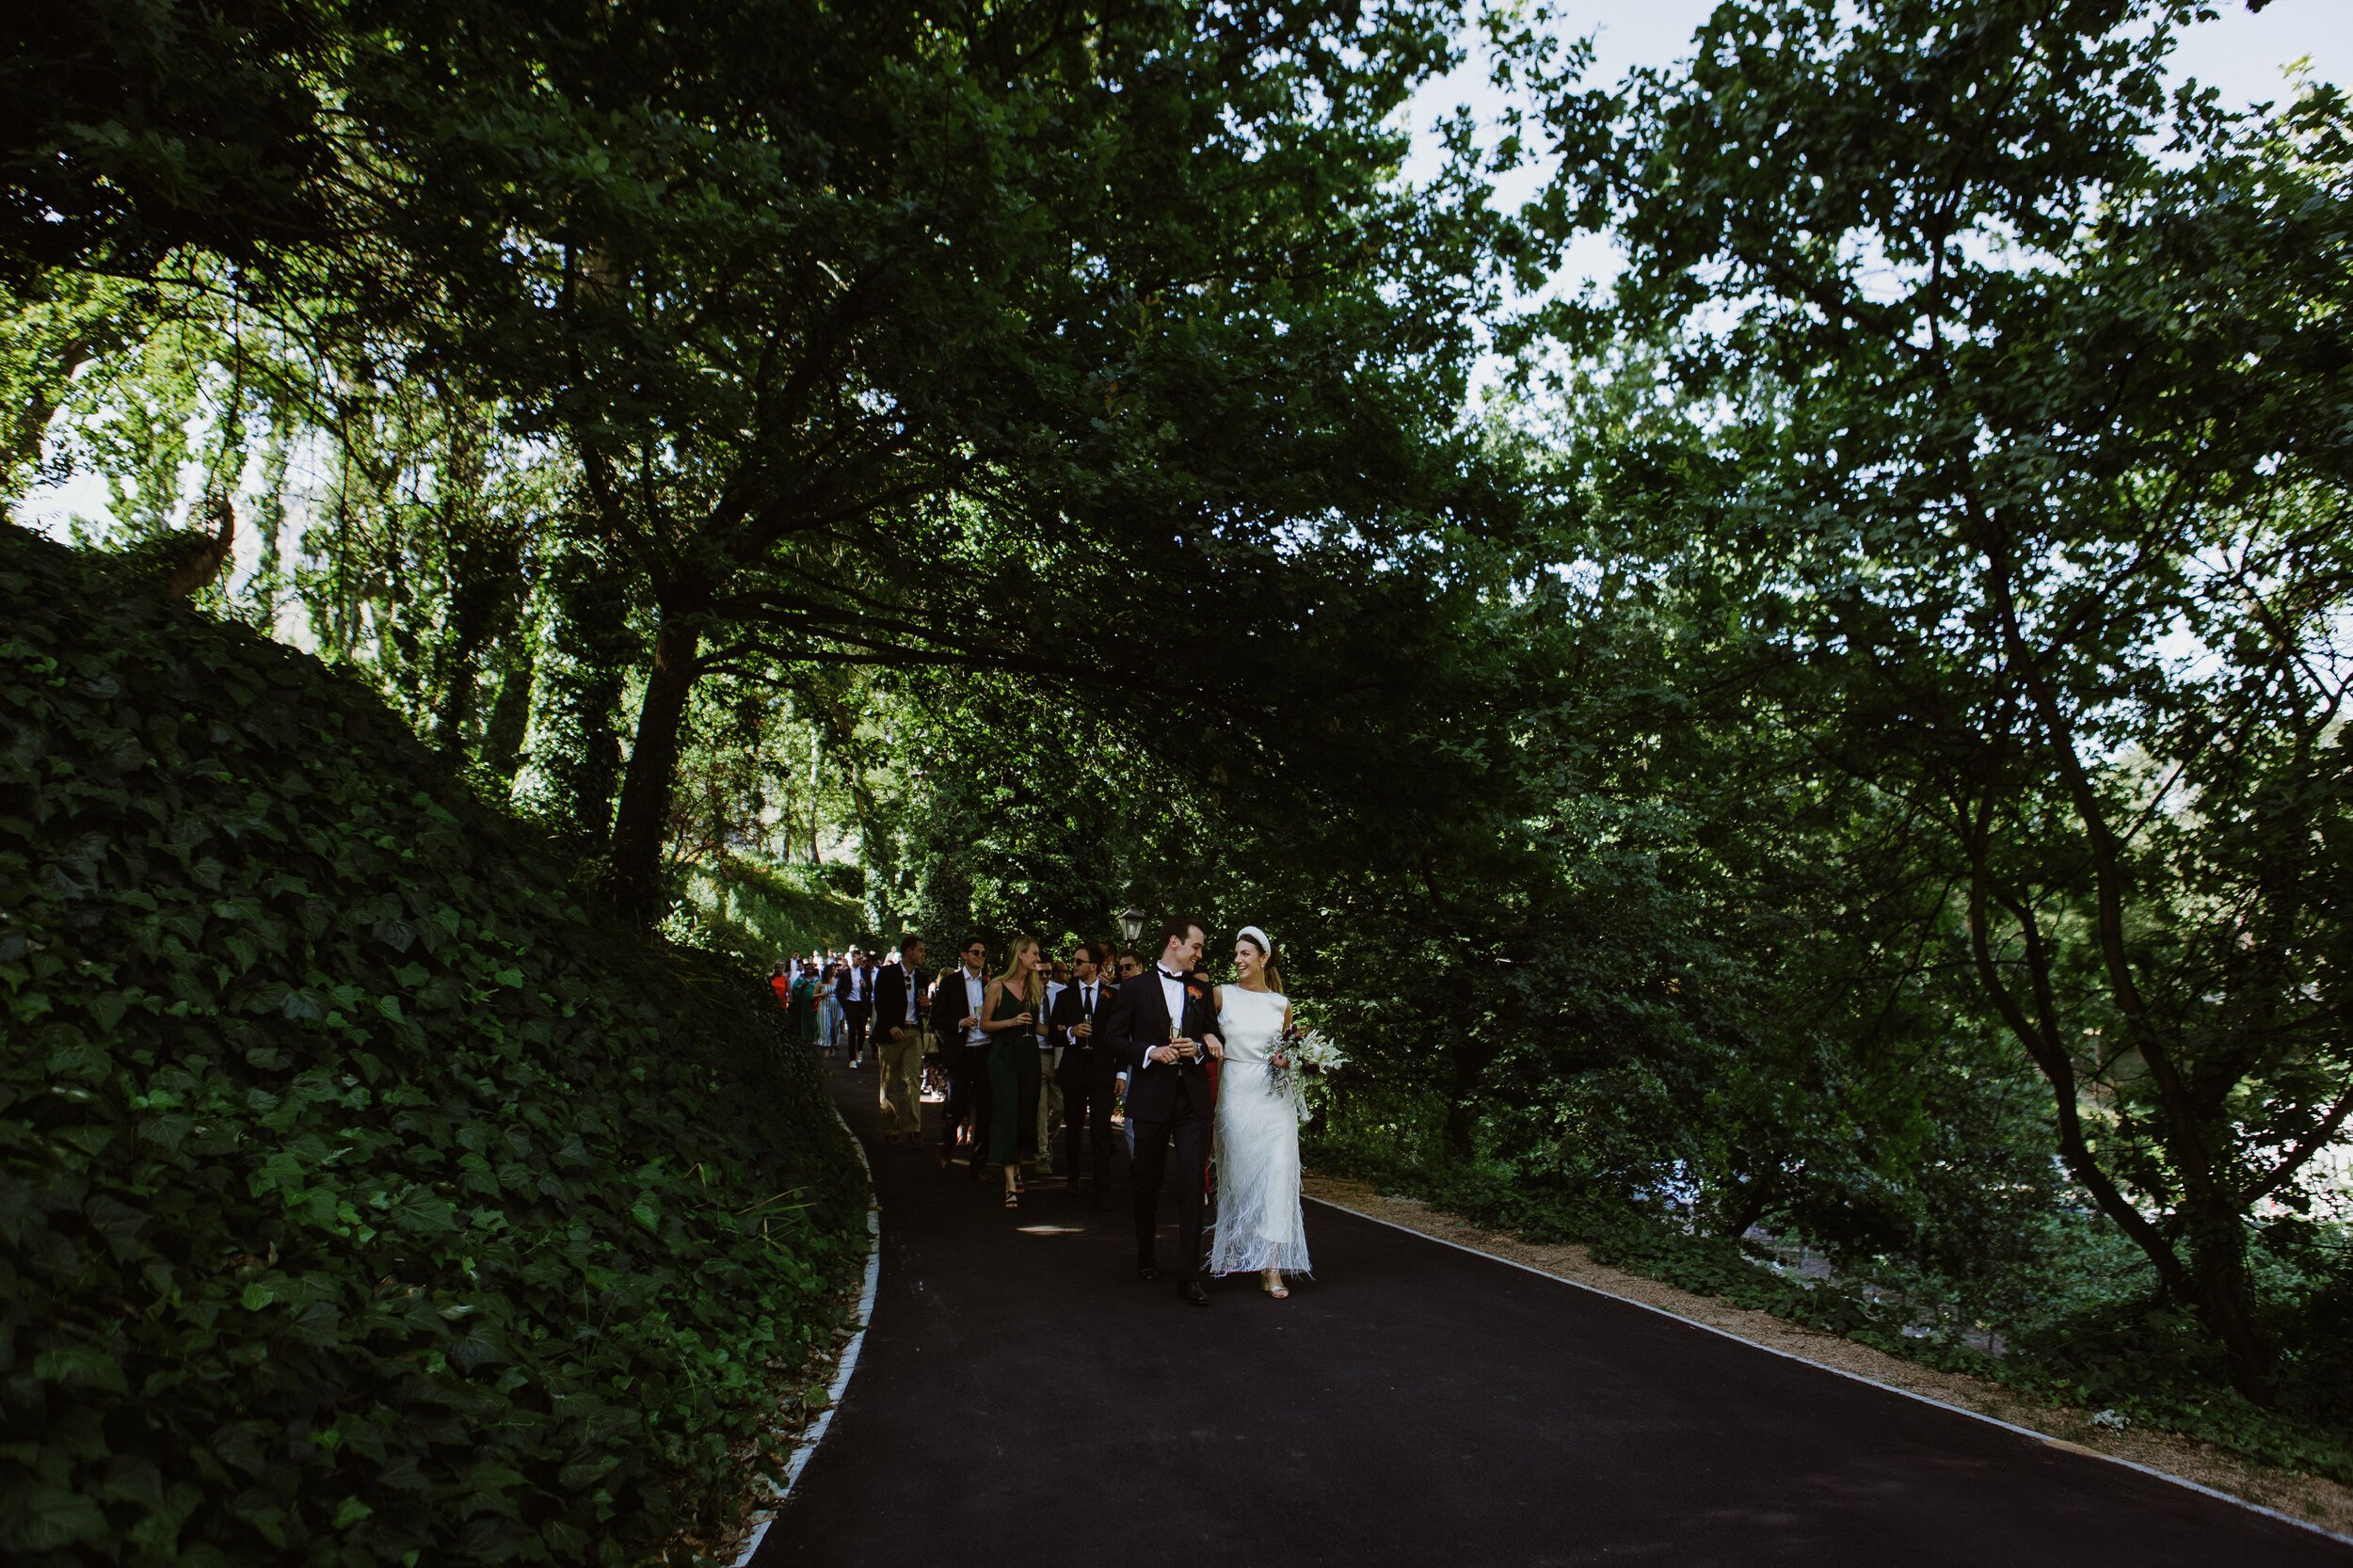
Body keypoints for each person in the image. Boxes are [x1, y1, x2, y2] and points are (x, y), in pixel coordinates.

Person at [1101, 917, 1223, 1306]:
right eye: (1197, 947)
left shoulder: (1200, 989)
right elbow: (1114, 1039)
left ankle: (1189, 1276)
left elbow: (1215, 1034)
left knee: (1192, 1185)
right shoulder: (1134, 988)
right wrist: (1150, 1052)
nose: (1200, 954)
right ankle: (1145, 1253)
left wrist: (1201, 1046)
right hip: (1151, 1096)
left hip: (1191, 1100)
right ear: (1175, 942)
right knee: (1146, 1183)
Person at [1206, 926, 1312, 1296]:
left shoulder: (1281, 1004)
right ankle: (1240, 1251)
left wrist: (1290, 1060)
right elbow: (1200, 1028)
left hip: (1274, 1100)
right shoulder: (1221, 995)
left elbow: (1288, 1048)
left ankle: (1272, 1266)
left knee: (1278, 1178)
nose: (1238, 960)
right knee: (1239, 1174)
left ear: (1263, 959)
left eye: (1245, 954)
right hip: (1236, 1091)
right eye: (1236, 954)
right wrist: (1207, 1037)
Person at [1049, 942, 1119, 1208]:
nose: (1074, 966)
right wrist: (1070, 1032)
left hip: (1102, 1071)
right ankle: (1073, 1177)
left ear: (1093, 966)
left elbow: (1119, 1037)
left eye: (1079, 962)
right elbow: (1054, 1034)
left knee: (1101, 1129)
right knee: (1074, 1127)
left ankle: (1103, 1189)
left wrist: (1121, 1072)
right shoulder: (1064, 996)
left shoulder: (1112, 996)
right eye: (1073, 961)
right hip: (1074, 1070)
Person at [981, 936, 1045, 1208]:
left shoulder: (1034, 988)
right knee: (1007, 1113)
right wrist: (1011, 1022)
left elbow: (1039, 1027)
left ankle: (1017, 1166)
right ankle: (1009, 1183)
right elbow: (985, 1024)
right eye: (1034, 953)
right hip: (1003, 1057)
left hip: (1029, 1056)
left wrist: (1068, 1031)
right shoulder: (996, 986)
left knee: (1024, 1114)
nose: (1037, 958)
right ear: (1020, 955)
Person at [931, 936, 994, 1176]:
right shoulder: (951, 983)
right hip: (962, 1052)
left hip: (985, 1051)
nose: (980, 957)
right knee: (955, 1107)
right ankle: (947, 1146)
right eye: (975, 952)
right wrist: (959, 1022)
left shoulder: (990, 984)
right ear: (964, 955)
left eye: (983, 953)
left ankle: (978, 1164)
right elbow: (935, 1019)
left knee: (986, 1110)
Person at [873, 937, 930, 1145]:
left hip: (913, 1032)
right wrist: (891, 1026)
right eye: (920, 950)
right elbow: (880, 1002)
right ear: (908, 951)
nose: (923, 954)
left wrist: (926, 1005)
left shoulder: (922, 977)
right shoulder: (887, 973)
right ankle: (891, 1127)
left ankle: (914, 1129)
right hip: (891, 1034)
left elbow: (922, 1009)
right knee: (889, 1082)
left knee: (913, 1080)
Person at [838, 948, 874, 1068]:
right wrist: (844, 1003)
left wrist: (865, 986)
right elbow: (838, 990)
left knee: (862, 1031)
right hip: (850, 1003)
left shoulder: (865, 973)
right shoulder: (844, 973)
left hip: (862, 1004)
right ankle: (852, 1058)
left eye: (860, 959)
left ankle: (860, 1050)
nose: (859, 961)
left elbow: (870, 988)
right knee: (852, 1032)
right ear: (852, 958)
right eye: (857, 958)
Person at [817, 961, 843, 1059]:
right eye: (831, 970)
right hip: (824, 1005)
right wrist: (821, 994)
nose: (833, 971)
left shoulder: (837, 981)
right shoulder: (821, 982)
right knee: (825, 1026)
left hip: (836, 1005)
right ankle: (825, 1049)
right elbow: (813, 995)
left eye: (834, 970)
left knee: (834, 1027)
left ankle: (832, 1045)